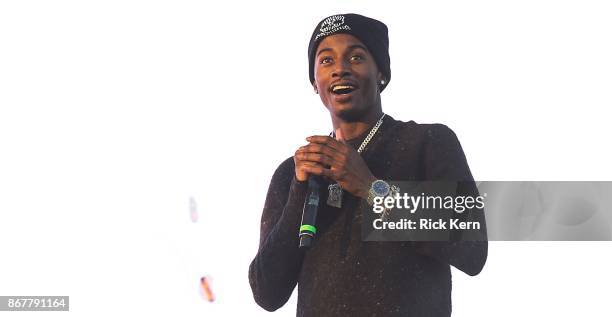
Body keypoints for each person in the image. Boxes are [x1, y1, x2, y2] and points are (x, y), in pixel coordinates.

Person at [248, 13, 487, 317]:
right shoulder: (294, 171)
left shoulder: (427, 141)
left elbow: (473, 248)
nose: (340, 70)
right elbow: (267, 293)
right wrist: (299, 193)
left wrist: (370, 188)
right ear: (314, 83)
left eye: (356, 57)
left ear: (381, 74)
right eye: (326, 61)